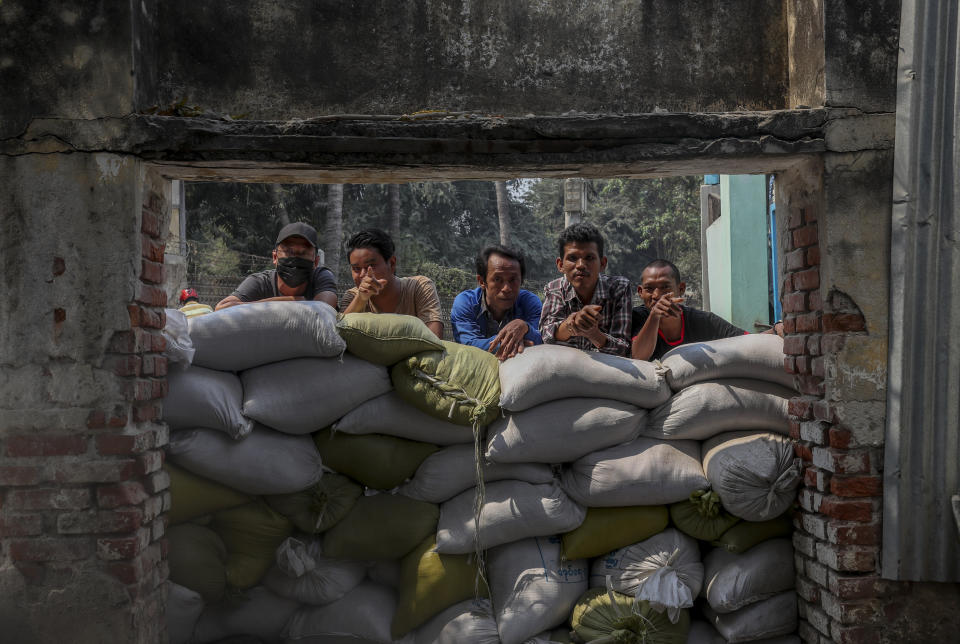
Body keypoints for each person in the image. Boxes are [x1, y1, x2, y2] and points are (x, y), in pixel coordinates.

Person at [630, 258, 782, 361]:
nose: (656, 295)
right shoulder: (637, 318)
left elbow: (746, 341)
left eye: (665, 287)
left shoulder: (703, 321)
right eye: (649, 289)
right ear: (640, 292)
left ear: (681, 288)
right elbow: (638, 356)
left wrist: (777, 330)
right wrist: (655, 316)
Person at [539, 222, 632, 356]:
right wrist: (572, 324)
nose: (581, 265)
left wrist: (593, 334)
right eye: (572, 258)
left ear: (602, 263)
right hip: (565, 369)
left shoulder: (619, 288)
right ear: (560, 265)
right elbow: (546, 336)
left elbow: (623, 348)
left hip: (607, 371)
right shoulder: (555, 288)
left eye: (589, 258)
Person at [339, 228, 444, 338]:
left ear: (392, 264)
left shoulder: (419, 287)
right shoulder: (352, 297)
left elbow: (434, 339)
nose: (362, 275)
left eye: (371, 266)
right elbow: (339, 339)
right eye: (356, 268)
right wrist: (360, 299)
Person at [215, 222, 338, 310]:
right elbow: (221, 308)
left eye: (303, 253)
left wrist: (253, 306)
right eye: (289, 252)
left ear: (315, 262)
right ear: (275, 257)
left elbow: (324, 308)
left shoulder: (321, 276)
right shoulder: (261, 282)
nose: (295, 258)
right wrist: (295, 300)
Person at [450, 245, 543, 360]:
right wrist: (512, 340)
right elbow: (467, 346)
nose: (506, 288)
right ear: (482, 281)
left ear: (521, 281)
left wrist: (526, 328)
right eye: (498, 279)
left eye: (513, 280)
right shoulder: (466, 303)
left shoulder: (530, 302)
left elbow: (544, 339)